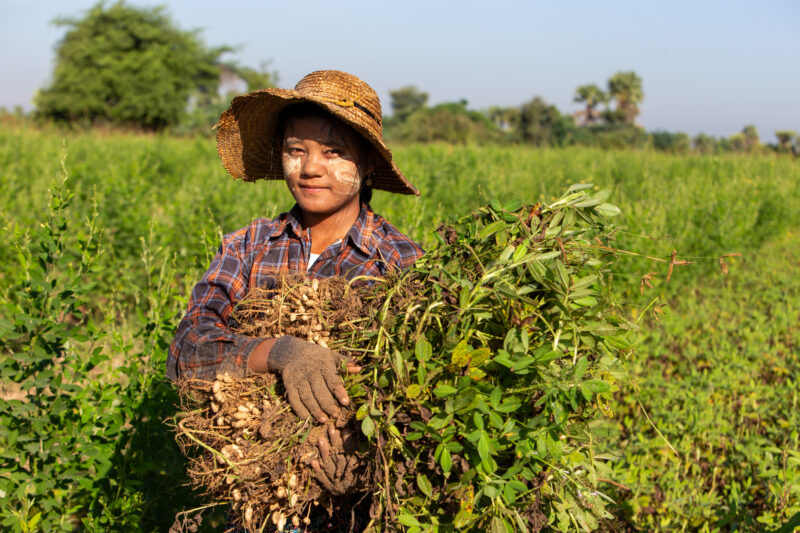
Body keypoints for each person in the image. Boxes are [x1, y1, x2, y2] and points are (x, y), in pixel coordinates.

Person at [166, 70, 424, 523]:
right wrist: (279, 351)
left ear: (365, 163)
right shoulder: (248, 247)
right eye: (295, 151)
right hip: (253, 506)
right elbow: (186, 351)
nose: (309, 168)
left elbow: (416, 400)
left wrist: (360, 463)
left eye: (333, 152)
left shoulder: (399, 266)